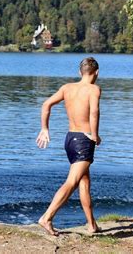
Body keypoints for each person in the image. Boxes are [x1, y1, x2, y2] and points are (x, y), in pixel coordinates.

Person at [36, 57, 102, 236]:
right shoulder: (94, 89)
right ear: (96, 72)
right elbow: (94, 112)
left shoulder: (67, 88)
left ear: (80, 72)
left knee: (84, 182)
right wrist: (95, 135)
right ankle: (47, 218)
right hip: (84, 140)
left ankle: (91, 224)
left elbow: (46, 104)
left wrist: (44, 128)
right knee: (72, 182)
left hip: (70, 139)